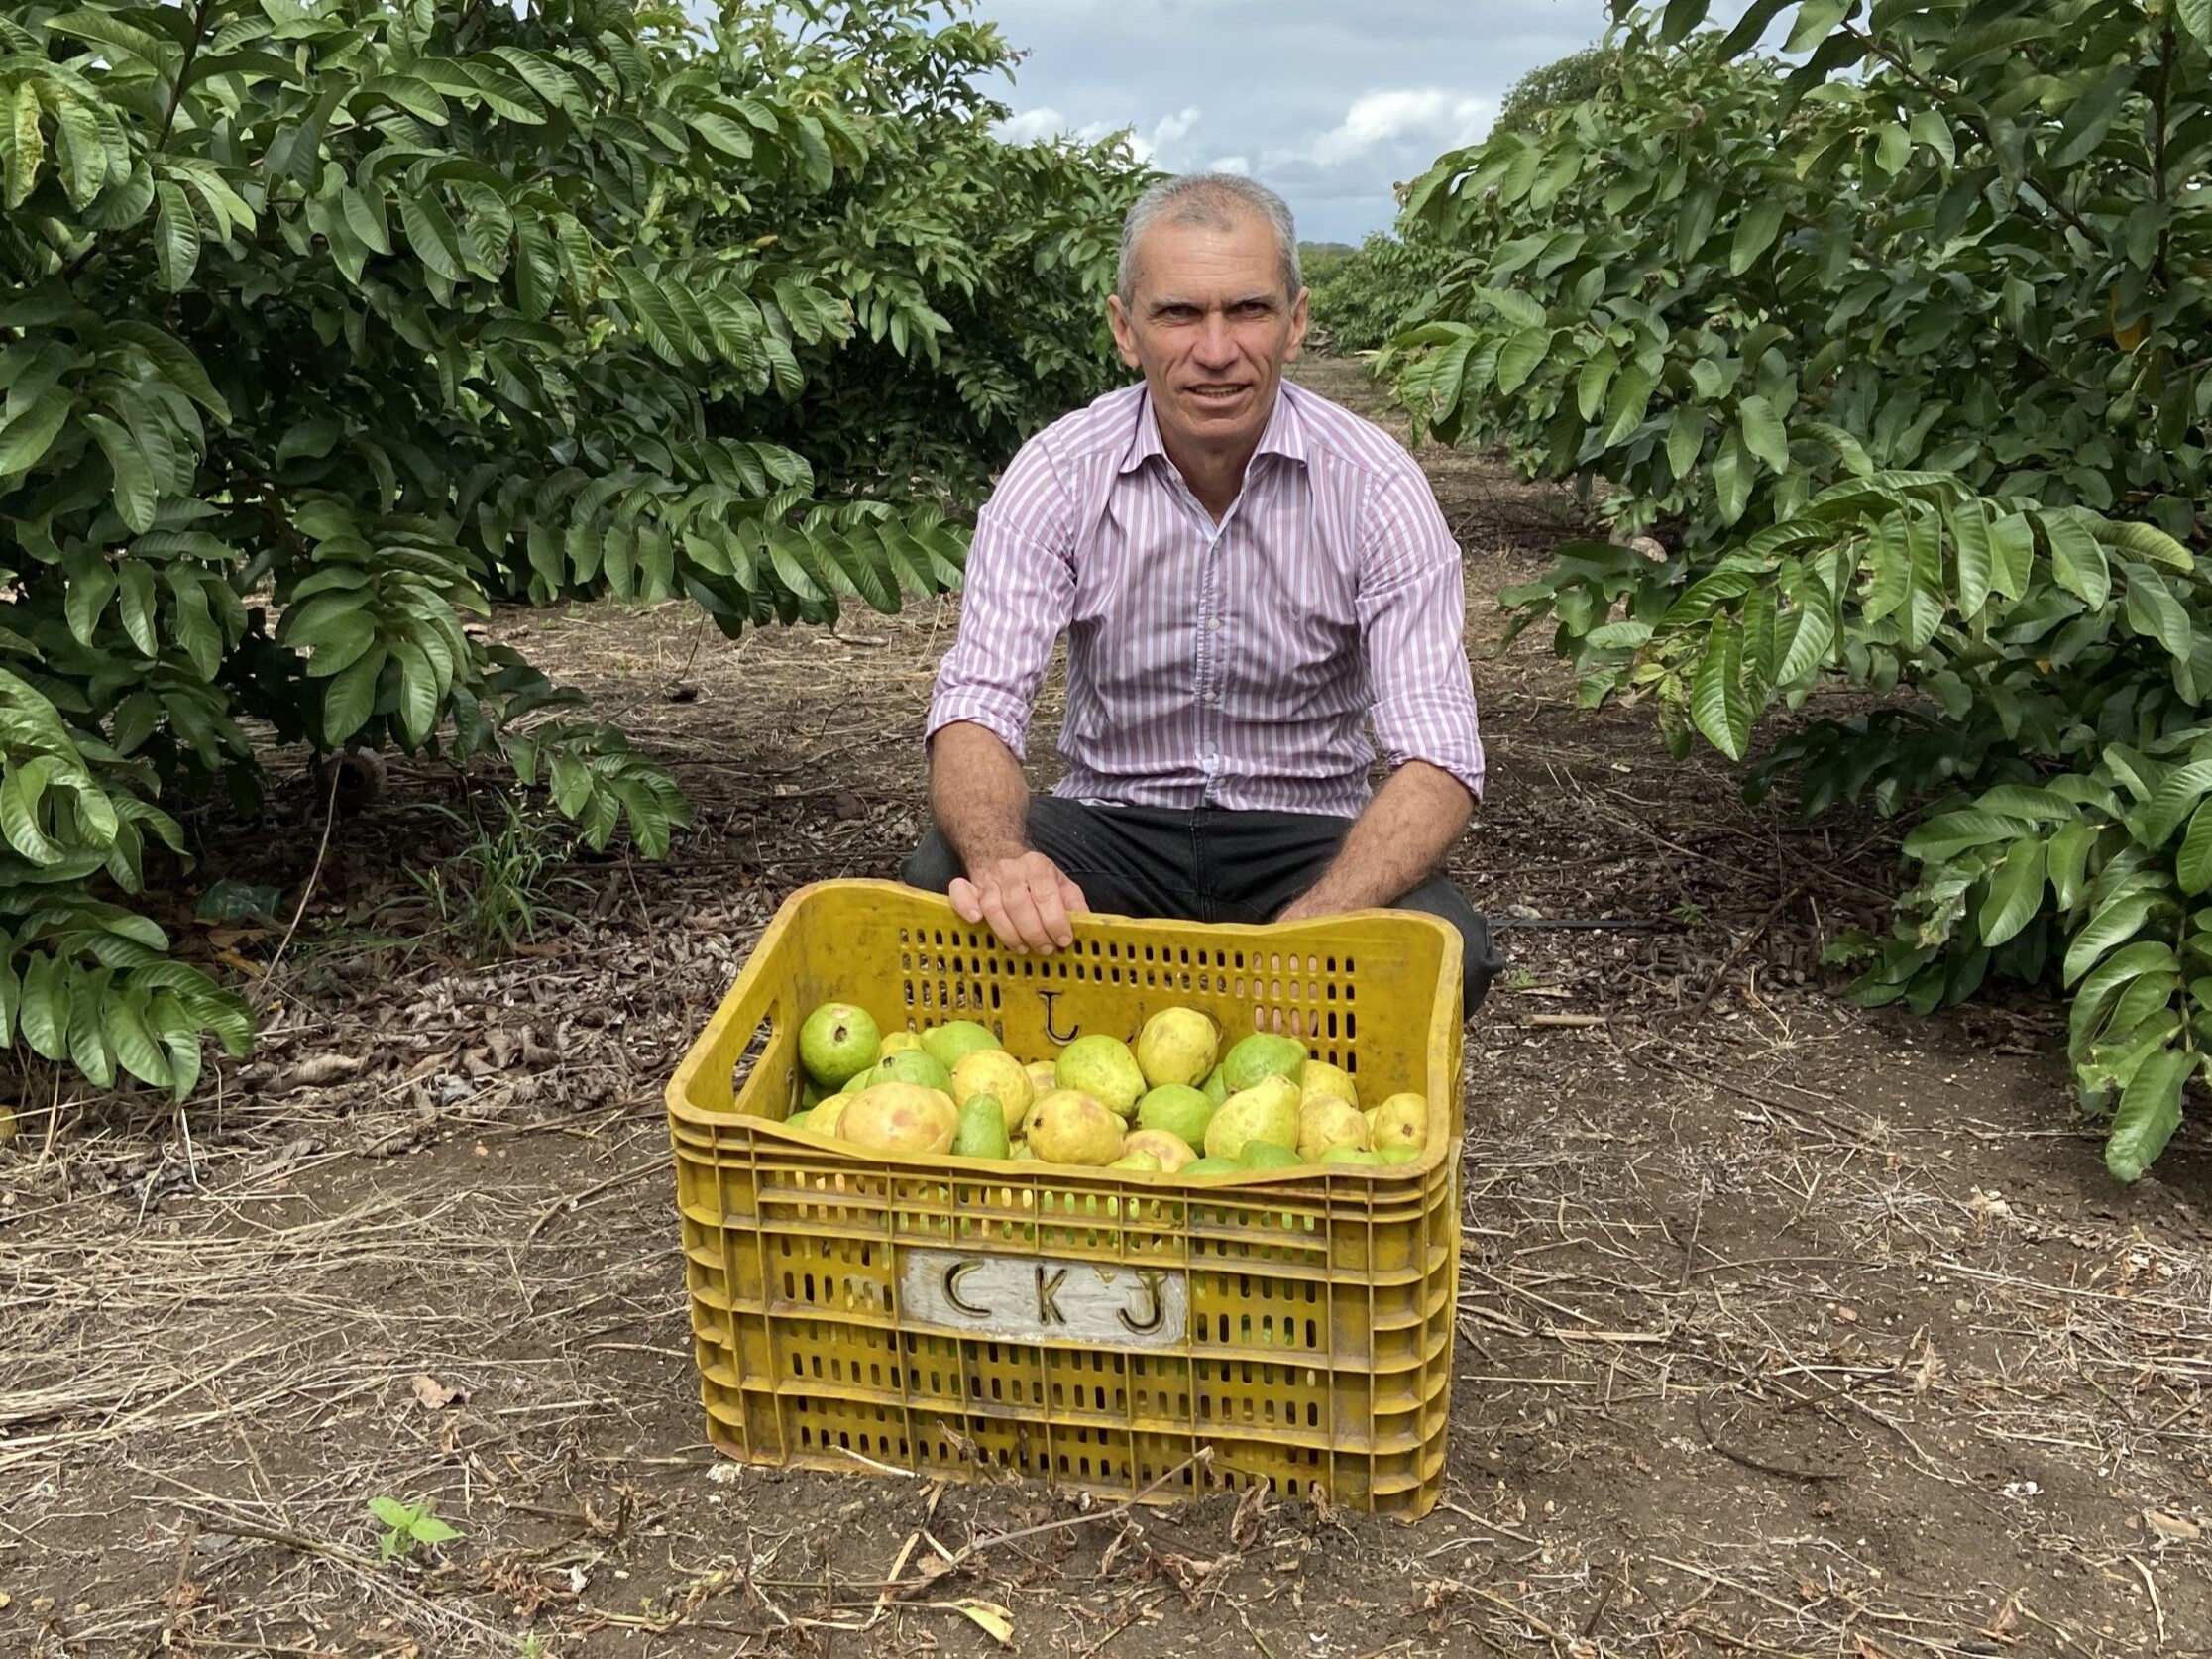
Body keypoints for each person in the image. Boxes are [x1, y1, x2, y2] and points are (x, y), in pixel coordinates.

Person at [901, 172, 1501, 1015]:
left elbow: (1439, 757)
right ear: (1125, 329)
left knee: (1446, 953)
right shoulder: (1058, 474)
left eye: (1248, 311)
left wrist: (1321, 923)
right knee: (946, 880)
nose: (1215, 350)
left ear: (1296, 324)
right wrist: (1004, 861)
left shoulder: (1373, 486)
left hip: (1303, 833)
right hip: (1116, 823)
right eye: (1179, 313)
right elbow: (976, 707)